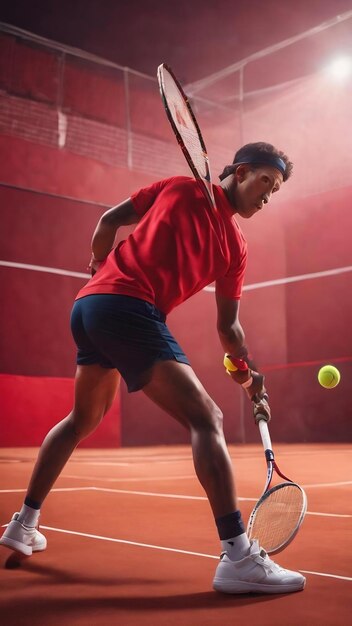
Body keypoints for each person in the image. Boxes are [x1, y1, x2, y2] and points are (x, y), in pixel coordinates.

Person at [0, 142, 306, 594]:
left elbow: (228, 328)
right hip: (128, 308)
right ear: (240, 172)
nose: (267, 196)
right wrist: (104, 270)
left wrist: (245, 372)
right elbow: (111, 221)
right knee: (208, 419)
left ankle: (23, 525)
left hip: (89, 309)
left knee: (81, 419)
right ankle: (239, 556)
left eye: (275, 191)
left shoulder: (235, 246)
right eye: (265, 182)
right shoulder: (182, 189)